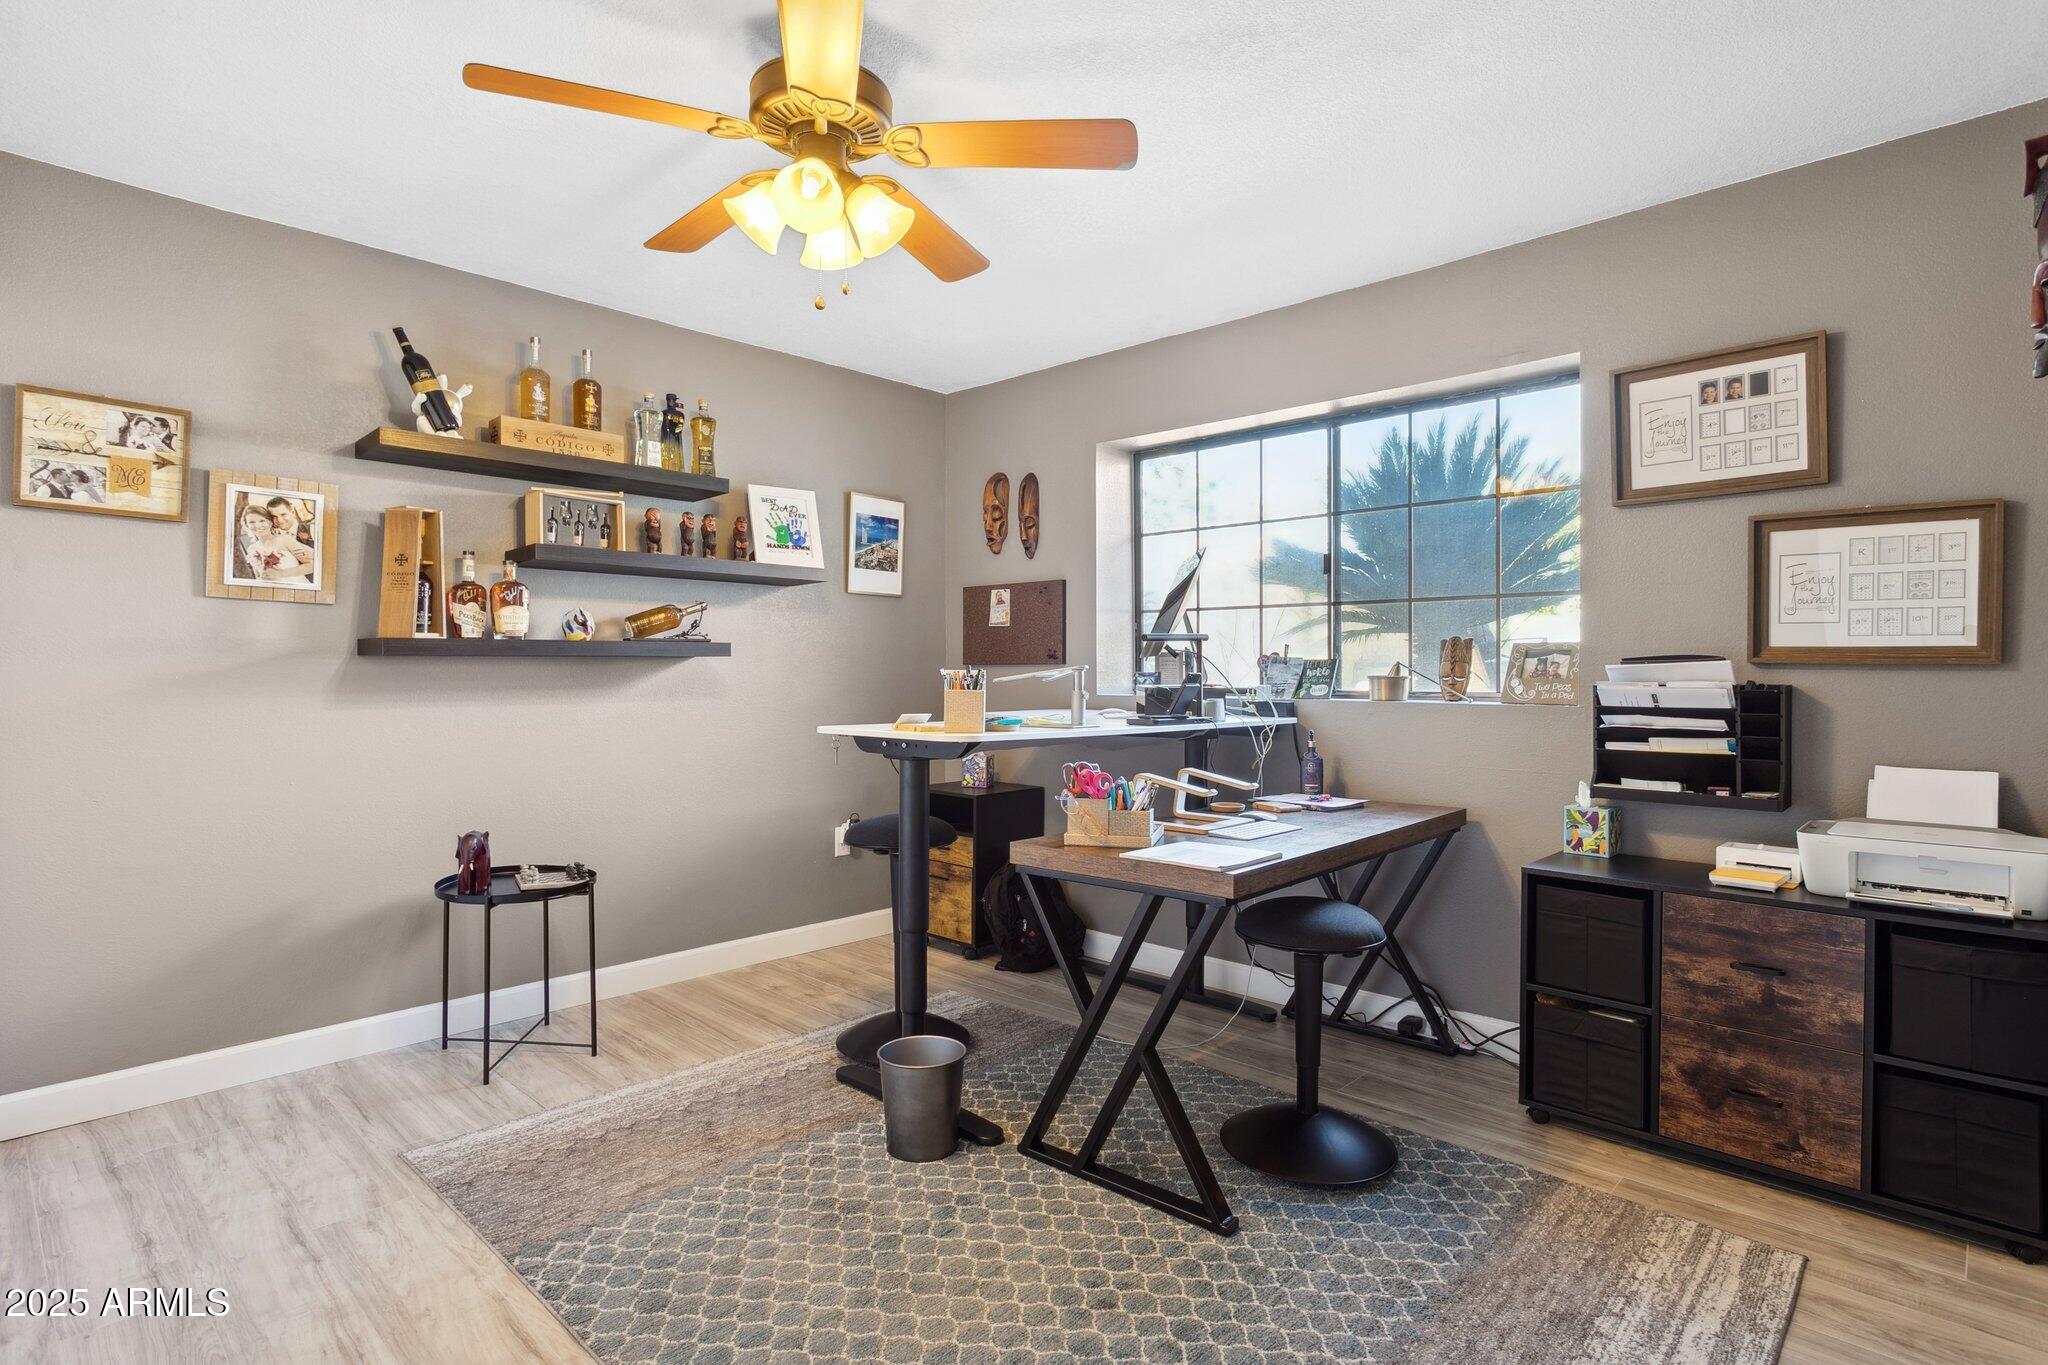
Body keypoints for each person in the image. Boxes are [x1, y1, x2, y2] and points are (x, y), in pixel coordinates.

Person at [236, 502, 315, 585]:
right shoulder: (252, 549)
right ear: (247, 525)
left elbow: (313, 565)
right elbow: (259, 576)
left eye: (262, 520)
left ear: (270, 522)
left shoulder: (284, 540)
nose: (257, 525)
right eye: (252, 522)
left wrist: (281, 573)